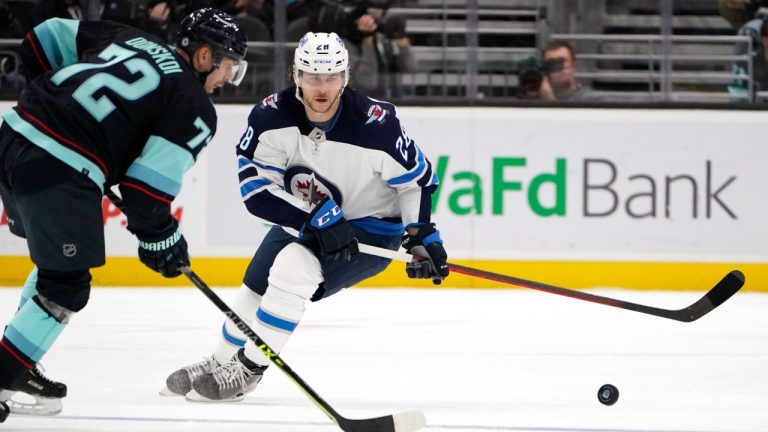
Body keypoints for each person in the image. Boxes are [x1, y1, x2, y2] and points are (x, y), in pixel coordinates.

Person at [162, 31, 449, 402]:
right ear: (296, 75)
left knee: (292, 268)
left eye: (331, 77)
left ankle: (248, 370)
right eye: (313, 76)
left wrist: (422, 236)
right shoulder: (270, 117)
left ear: (345, 78)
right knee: (256, 283)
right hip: (306, 215)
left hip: (370, 231)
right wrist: (319, 218)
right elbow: (256, 190)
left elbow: (417, 182)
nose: (322, 87)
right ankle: (220, 361)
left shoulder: (377, 125)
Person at [0, 8, 248, 422]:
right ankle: (6, 372)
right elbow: (144, 194)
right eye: (229, 66)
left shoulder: (128, 36)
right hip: (56, 168)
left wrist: (54, 101)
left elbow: (41, 38)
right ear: (204, 57)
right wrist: (164, 242)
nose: (227, 78)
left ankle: (18, 362)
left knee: (56, 266)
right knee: (66, 287)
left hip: (12, 135)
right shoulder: (194, 105)